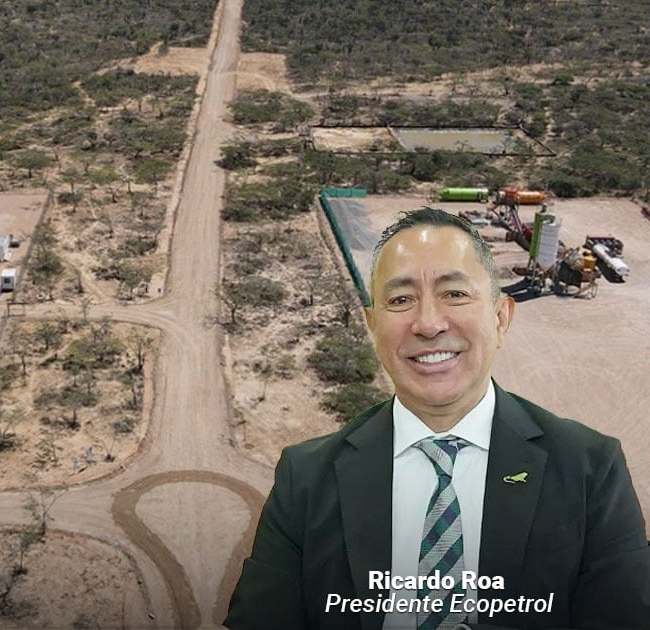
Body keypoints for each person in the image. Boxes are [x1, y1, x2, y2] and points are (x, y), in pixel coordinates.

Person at [225, 208, 649, 629]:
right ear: (373, 328)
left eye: (455, 294)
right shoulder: (306, 478)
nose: (428, 324)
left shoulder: (591, 471)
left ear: (501, 318)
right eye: (401, 299)